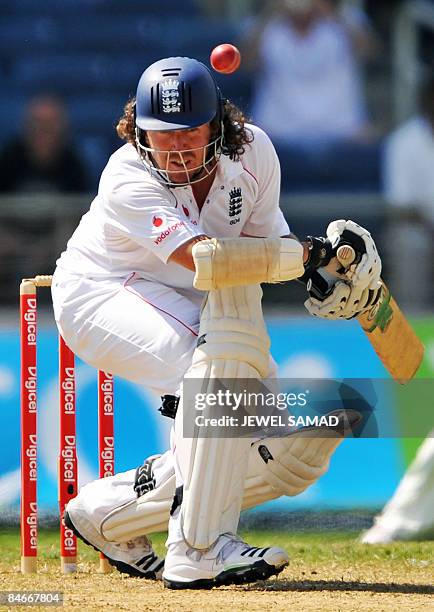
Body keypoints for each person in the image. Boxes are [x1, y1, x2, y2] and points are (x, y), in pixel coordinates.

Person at [51, 56, 382, 589]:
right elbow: (208, 260)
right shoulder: (126, 175)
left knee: (273, 452)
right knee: (218, 377)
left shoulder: (254, 152)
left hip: (194, 305)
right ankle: (198, 548)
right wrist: (315, 255)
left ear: (219, 125)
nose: (176, 146)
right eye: (161, 133)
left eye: (189, 131)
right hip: (101, 294)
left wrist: (328, 278)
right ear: (139, 129)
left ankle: (107, 513)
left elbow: (264, 249)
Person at [241, 0, 375, 143]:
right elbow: (244, 63)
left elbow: (370, 52)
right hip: (278, 132)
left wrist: (330, 11)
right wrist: (272, 12)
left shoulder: (346, 20)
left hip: (342, 130)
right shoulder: (264, 25)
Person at [383, 74, 434, 310]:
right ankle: (415, 319)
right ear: (425, 102)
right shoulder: (404, 141)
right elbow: (399, 205)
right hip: (418, 225)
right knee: (409, 242)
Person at [0, 95, 89, 194]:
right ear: (25, 126)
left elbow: (80, 205)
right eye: (37, 123)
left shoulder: (73, 164)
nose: (43, 130)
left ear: (63, 129)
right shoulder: (8, 160)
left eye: (50, 125)